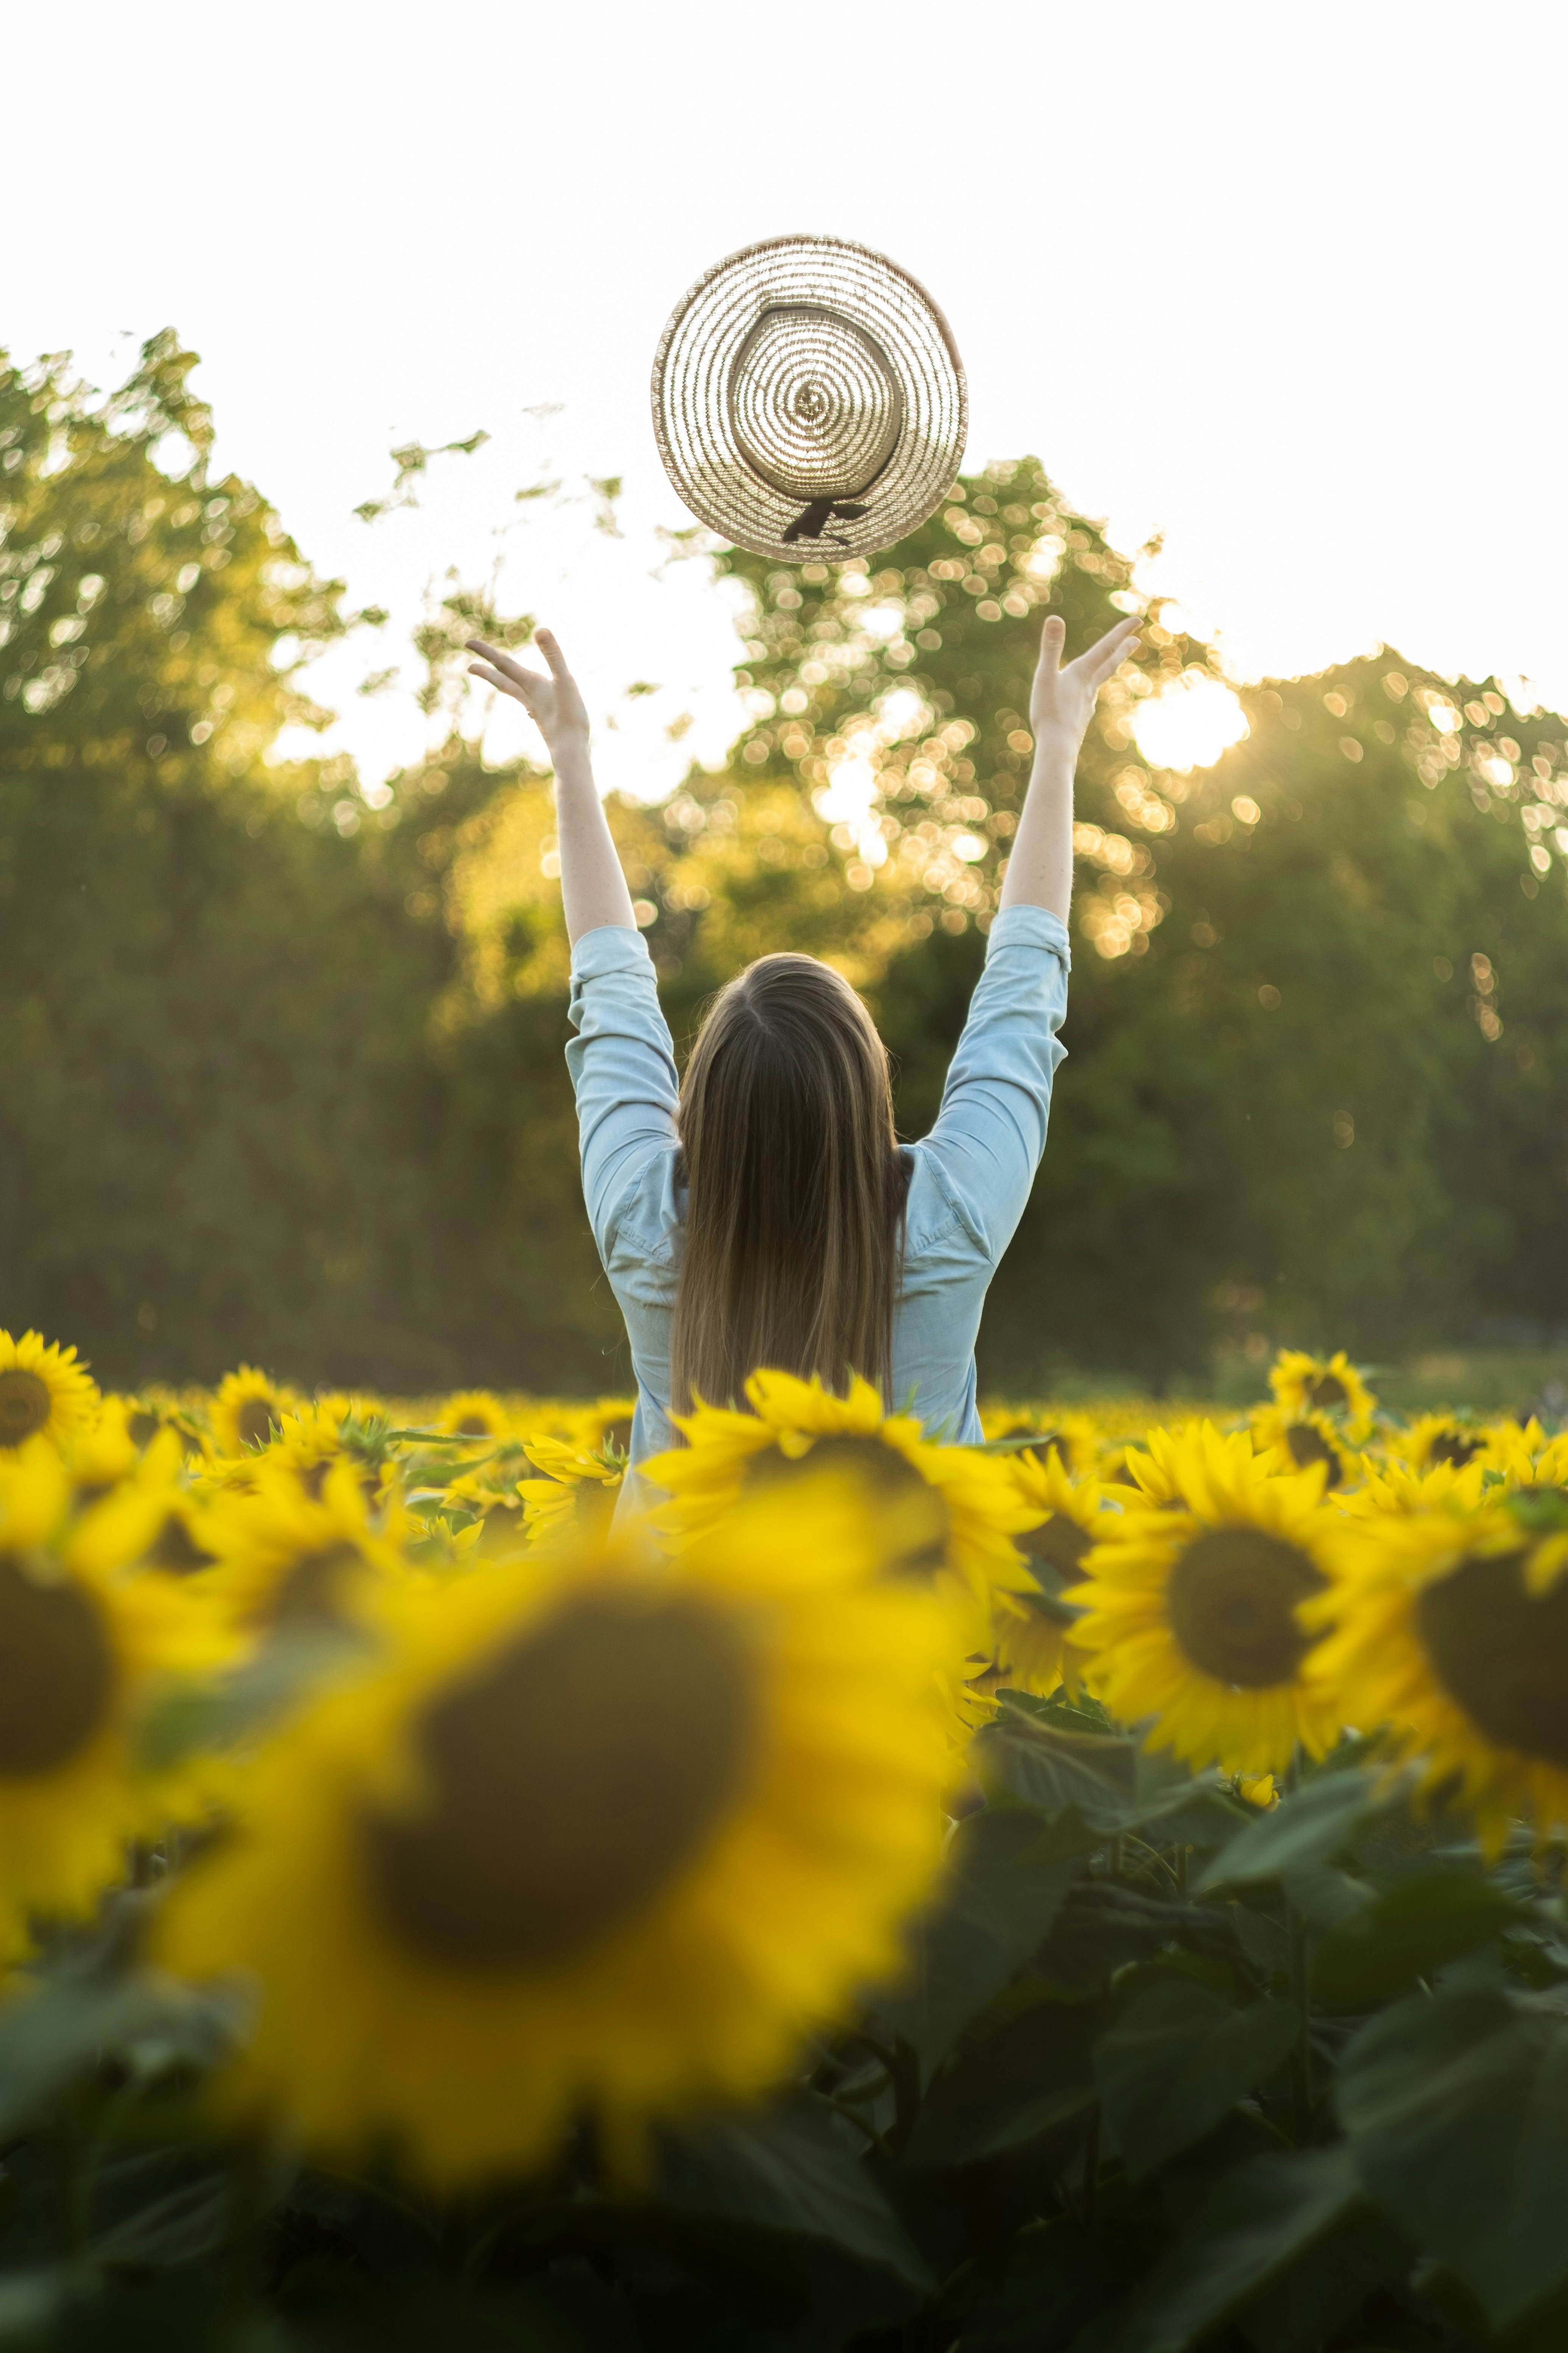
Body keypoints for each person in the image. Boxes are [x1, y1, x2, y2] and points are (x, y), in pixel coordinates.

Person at [467, 609, 1138, 1468]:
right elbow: (1022, 992)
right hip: (918, 1606)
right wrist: (1057, 745)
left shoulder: (642, 1221)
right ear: (867, 1089)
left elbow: (612, 995)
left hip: (673, 1608)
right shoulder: (952, 1217)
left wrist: (570, 758)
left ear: (699, 1105)